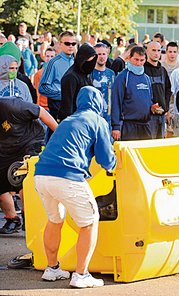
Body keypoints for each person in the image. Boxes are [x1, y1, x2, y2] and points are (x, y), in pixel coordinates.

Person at [34, 86, 116, 288]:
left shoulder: (68, 120)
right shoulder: (97, 121)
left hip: (41, 175)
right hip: (68, 176)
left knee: (55, 219)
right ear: (99, 102)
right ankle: (81, 274)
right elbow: (106, 159)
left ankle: (52, 269)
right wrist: (114, 164)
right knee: (89, 221)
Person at [0, 96, 57, 234]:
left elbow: (41, 112)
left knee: (24, 182)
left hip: (30, 142)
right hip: (6, 149)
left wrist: (59, 134)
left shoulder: (11, 106)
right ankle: (12, 219)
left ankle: (29, 218)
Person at [111, 46, 153, 141]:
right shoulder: (122, 77)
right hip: (128, 125)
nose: (138, 63)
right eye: (136, 60)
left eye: (142, 60)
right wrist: (116, 126)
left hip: (145, 125)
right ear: (129, 58)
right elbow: (116, 102)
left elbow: (149, 100)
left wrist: (152, 107)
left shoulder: (146, 78)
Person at [39, 31, 76, 120]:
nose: (71, 46)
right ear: (60, 44)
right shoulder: (53, 62)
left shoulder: (76, 63)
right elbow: (43, 87)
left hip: (74, 108)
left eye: (73, 43)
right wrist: (62, 95)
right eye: (67, 43)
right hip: (57, 108)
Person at [58, 43, 97, 121]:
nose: (90, 64)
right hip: (75, 120)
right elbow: (67, 104)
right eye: (88, 60)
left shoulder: (85, 74)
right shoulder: (71, 77)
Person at [144, 42, 171, 139]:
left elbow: (168, 90)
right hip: (148, 117)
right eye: (153, 50)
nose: (156, 53)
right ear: (147, 51)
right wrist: (150, 106)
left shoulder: (163, 70)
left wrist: (166, 108)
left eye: (158, 50)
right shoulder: (142, 69)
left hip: (162, 116)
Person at [91, 43, 115, 127]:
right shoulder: (89, 73)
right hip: (93, 118)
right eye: (99, 54)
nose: (102, 57)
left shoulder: (111, 74)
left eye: (104, 54)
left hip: (109, 119)